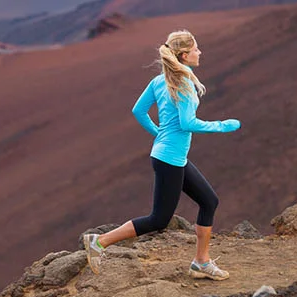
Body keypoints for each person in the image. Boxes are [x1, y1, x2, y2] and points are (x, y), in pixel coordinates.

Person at [83, 30, 240, 280]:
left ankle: (201, 262)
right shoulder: (184, 82)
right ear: (184, 54)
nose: (200, 53)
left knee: (209, 201)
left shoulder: (160, 81)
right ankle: (99, 242)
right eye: (196, 49)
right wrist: (222, 125)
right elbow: (188, 123)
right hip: (169, 159)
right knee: (158, 219)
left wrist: (158, 132)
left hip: (170, 155)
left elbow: (138, 110)